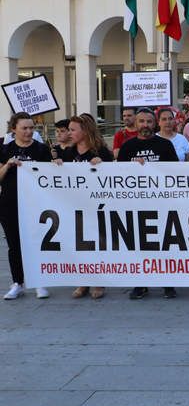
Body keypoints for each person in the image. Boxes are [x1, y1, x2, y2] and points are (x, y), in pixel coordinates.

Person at [116, 108, 180, 299]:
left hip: (162, 203)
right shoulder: (127, 147)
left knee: (165, 244)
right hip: (137, 204)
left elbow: (175, 173)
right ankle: (140, 283)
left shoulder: (165, 145)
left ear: (155, 123)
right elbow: (119, 174)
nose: (145, 125)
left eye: (149, 122)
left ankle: (168, 284)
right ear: (135, 124)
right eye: (141, 121)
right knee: (139, 245)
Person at [57, 115, 115, 300]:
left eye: (73, 130)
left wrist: (103, 166)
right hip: (73, 206)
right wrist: (56, 166)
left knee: (96, 243)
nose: (69, 133)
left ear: (85, 131)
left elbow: (114, 176)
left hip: (96, 206)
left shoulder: (102, 152)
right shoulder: (67, 152)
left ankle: (98, 282)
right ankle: (82, 281)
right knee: (78, 244)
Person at [1, 113, 53, 300]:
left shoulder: (41, 149)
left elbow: (50, 175)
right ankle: (18, 283)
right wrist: (7, 165)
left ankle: (39, 282)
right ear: (14, 129)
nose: (29, 132)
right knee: (14, 244)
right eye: (25, 128)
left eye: (32, 128)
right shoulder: (5, 149)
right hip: (9, 203)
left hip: (35, 204)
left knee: (37, 243)